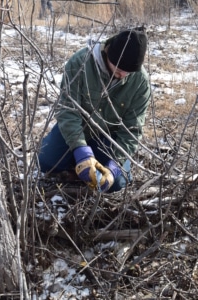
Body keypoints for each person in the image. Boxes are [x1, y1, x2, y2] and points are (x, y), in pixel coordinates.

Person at [38, 28, 151, 193]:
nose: (123, 74)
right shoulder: (80, 62)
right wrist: (79, 149)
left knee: (118, 182)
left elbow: (132, 130)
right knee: (46, 162)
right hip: (77, 129)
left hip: (108, 139)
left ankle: (94, 164)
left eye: (129, 71)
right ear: (107, 53)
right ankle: (78, 162)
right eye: (119, 68)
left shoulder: (140, 82)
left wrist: (115, 165)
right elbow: (67, 111)